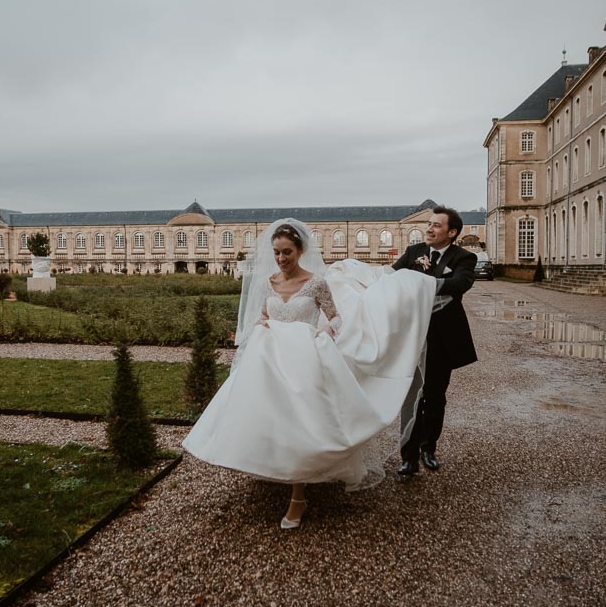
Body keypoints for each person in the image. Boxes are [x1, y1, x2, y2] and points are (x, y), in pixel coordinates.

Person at [182, 218, 438, 529]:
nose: (280, 259)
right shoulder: (269, 283)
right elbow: (264, 315)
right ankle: (275, 469)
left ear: (300, 250)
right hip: (270, 362)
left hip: (304, 362)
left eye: (286, 252)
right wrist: (261, 327)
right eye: (276, 253)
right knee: (267, 420)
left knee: (300, 425)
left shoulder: (316, 282)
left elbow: (336, 318)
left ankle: (298, 495)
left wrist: (326, 332)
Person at [391, 205, 478, 476]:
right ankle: (408, 455)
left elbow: (460, 283)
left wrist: (420, 283)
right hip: (412, 336)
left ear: (451, 232)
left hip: (442, 337)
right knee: (410, 395)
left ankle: (428, 449)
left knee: (434, 396)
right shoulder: (414, 253)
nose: (429, 228)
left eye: (436, 225)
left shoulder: (465, 257)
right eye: (428, 224)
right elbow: (391, 279)